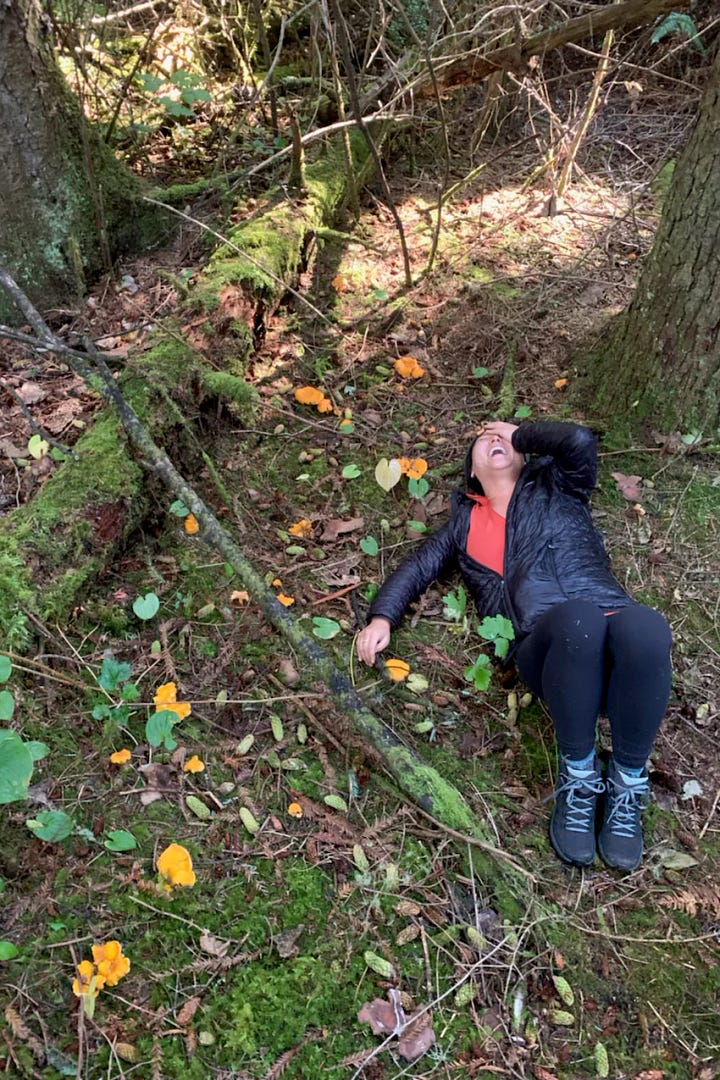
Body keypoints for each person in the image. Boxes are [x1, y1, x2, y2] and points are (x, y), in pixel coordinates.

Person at [356, 420, 672, 871]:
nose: (494, 441)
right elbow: (417, 567)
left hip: (610, 622)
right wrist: (382, 616)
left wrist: (519, 433)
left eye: (502, 439)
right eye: (484, 442)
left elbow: (579, 441)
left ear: (526, 455)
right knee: (577, 621)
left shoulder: (561, 487)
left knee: (647, 627)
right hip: (544, 643)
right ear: (471, 470)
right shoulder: (463, 524)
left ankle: (626, 783)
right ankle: (579, 778)